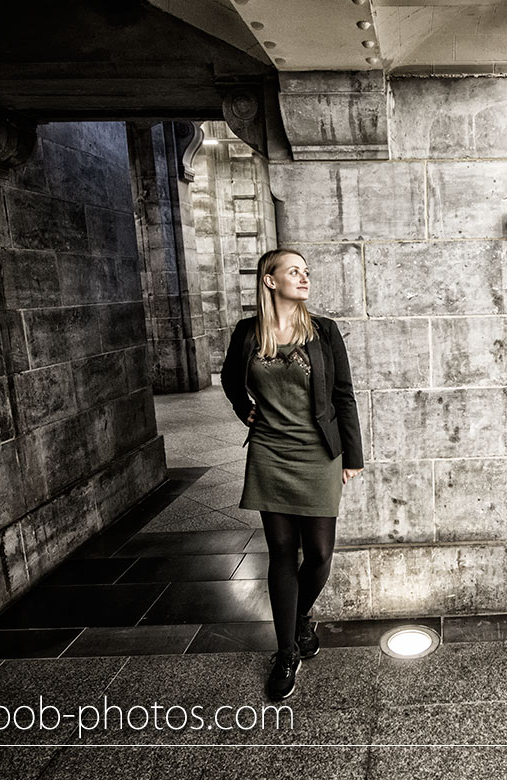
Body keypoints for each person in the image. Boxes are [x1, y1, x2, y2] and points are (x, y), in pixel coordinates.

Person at [221, 248, 364, 700]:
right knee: (282, 553)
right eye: (294, 271)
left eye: (306, 271)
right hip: (269, 453)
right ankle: (286, 651)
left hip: (318, 453)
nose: (304, 278)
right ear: (269, 280)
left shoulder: (323, 331)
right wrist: (246, 410)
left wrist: (352, 456)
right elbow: (229, 379)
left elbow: (344, 395)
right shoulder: (248, 333)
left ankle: (298, 616)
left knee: (319, 554)